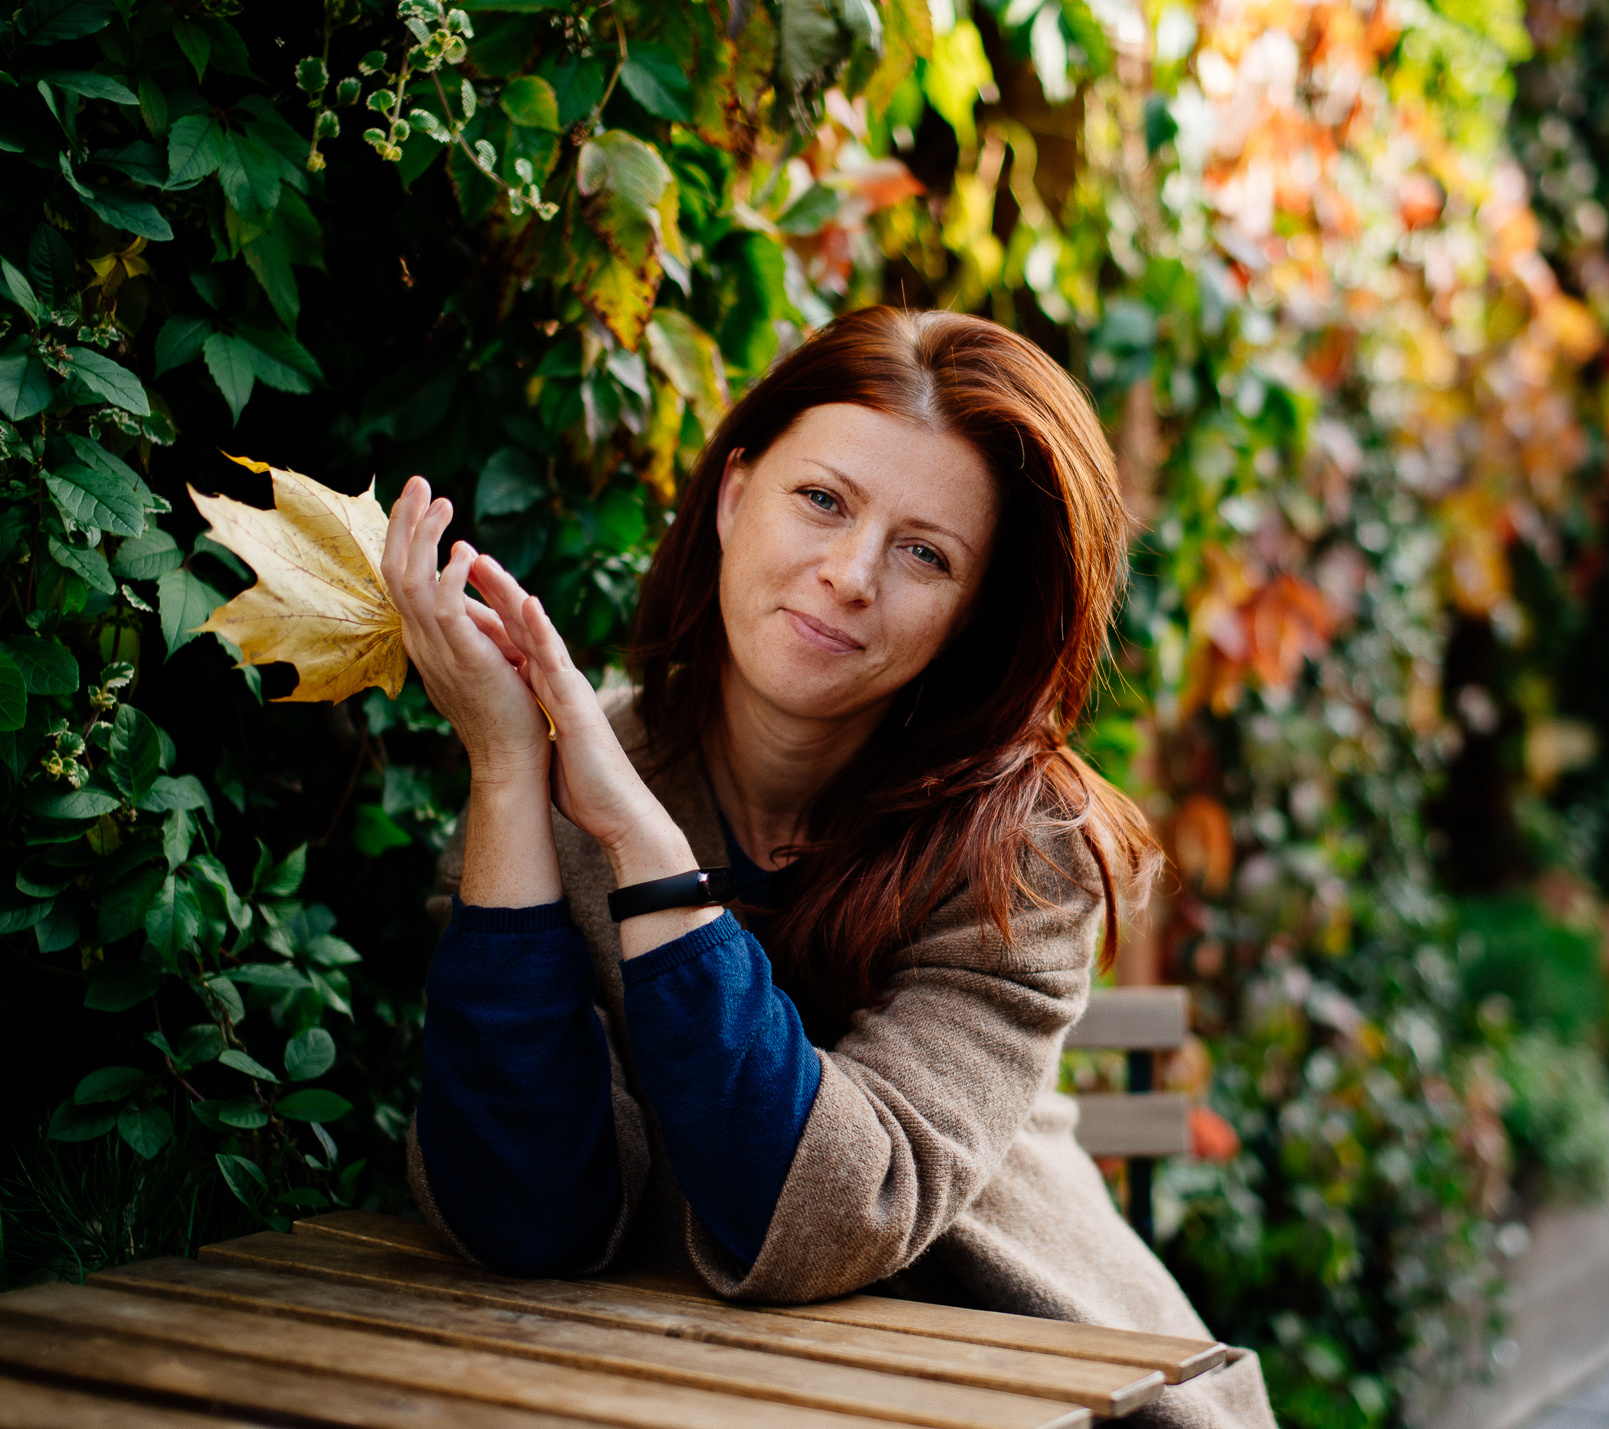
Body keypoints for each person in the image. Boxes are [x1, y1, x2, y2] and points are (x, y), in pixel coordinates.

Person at [382, 306, 1277, 1428]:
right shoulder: (562, 781)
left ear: (970, 615)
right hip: (677, 1391)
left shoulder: (1024, 857)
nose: (851, 574)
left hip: (1034, 1390)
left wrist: (645, 850)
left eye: (925, 554)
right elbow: (521, 1214)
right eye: (822, 499)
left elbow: (825, 1211)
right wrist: (511, 771)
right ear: (733, 495)